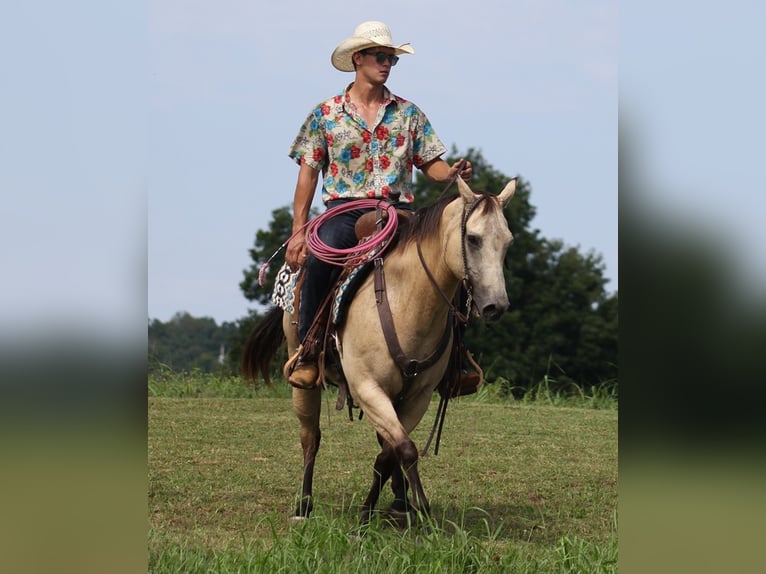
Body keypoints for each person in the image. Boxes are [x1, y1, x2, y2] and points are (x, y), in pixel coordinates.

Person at [285, 21, 472, 389]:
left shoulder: (409, 113)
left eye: (392, 59)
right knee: (322, 260)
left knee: (453, 257)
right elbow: (307, 175)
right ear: (358, 58)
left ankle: (457, 357)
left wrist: (450, 171)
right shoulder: (326, 114)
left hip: (397, 212)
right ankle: (310, 348)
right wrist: (299, 231)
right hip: (345, 209)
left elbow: (430, 165)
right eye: (381, 56)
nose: (387, 64)